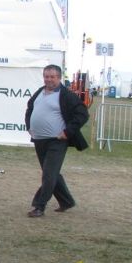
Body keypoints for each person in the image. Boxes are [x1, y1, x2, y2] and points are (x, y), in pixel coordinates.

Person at [24, 64, 89, 218]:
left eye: (52, 77)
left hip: (57, 141)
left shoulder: (66, 95)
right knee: (52, 173)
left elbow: (82, 114)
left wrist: (67, 132)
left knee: (49, 173)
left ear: (59, 78)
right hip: (39, 140)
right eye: (46, 76)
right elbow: (30, 109)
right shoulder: (39, 92)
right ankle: (66, 201)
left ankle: (39, 206)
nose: (49, 79)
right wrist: (29, 125)